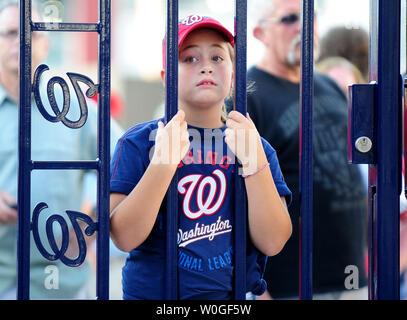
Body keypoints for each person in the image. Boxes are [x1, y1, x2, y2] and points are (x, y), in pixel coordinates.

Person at [109, 15, 292, 300]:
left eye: (217, 57)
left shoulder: (255, 145)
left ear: (233, 76)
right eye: (189, 58)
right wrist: (162, 164)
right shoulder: (138, 142)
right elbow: (123, 237)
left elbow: (274, 241)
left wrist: (255, 163)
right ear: (165, 77)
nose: (206, 66)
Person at [0, 0, 123, 299]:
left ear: (46, 43)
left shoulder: (74, 106)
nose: (22, 41)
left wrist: (93, 212)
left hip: (61, 283)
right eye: (11, 33)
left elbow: (124, 159)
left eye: (33, 32)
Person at [247, 0, 368, 299]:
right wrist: (258, 290)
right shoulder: (249, 94)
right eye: (289, 18)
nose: (302, 26)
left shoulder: (327, 85)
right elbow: (236, 200)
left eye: (309, 16)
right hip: (289, 286)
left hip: (352, 278)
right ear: (261, 33)